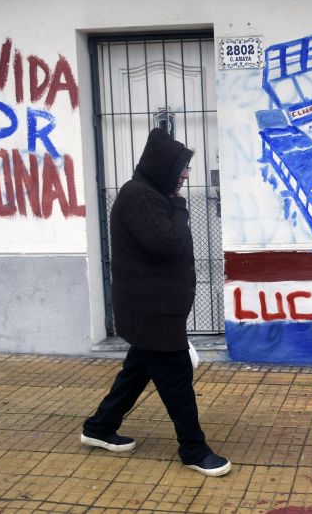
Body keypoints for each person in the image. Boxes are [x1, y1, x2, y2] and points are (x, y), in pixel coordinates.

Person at [81, 127, 230, 477]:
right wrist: (180, 207)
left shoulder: (148, 194)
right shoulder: (141, 197)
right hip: (152, 311)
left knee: (137, 372)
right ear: (164, 167)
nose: (186, 175)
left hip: (152, 308)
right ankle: (193, 448)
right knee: (176, 379)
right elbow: (167, 243)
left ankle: (99, 427)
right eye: (182, 169)